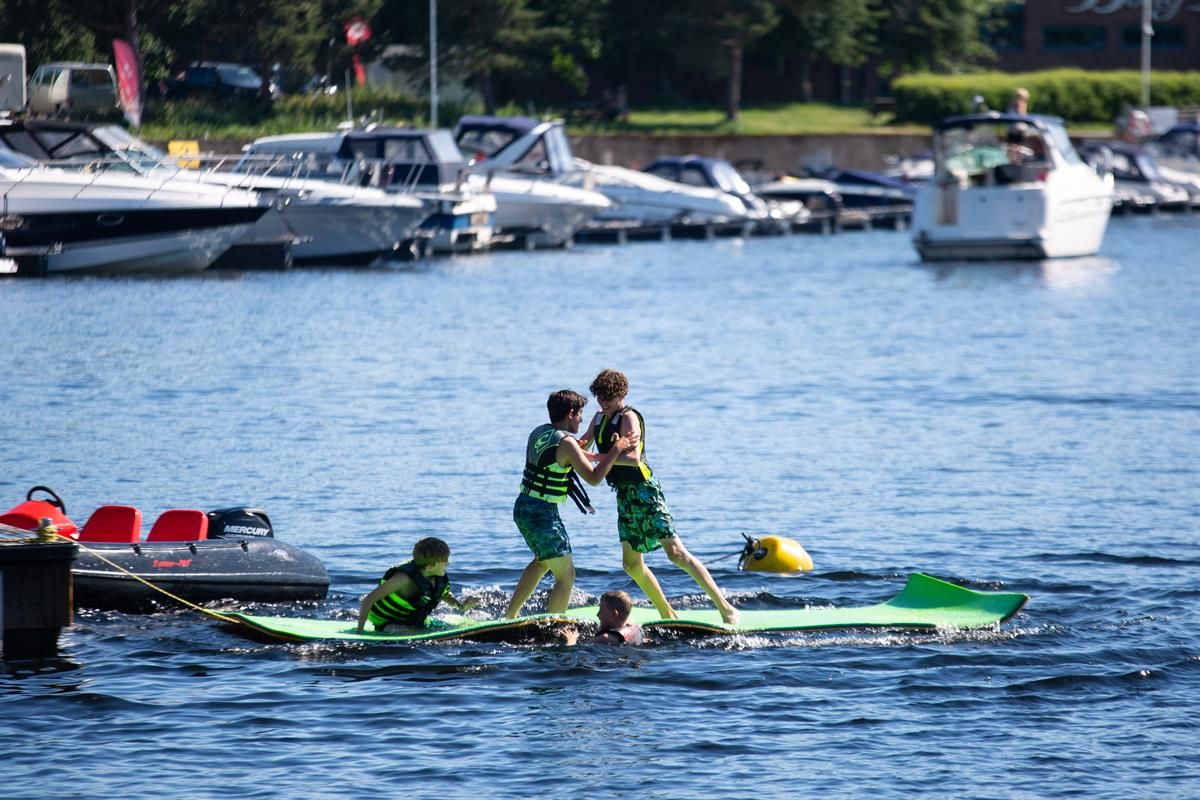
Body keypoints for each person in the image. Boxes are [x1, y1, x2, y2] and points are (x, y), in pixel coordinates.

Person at [582, 369, 739, 625]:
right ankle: (666, 612)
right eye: (599, 397)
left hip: (645, 491)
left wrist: (598, 458)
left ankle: (725, 607)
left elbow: (632, 459)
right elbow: (584, 444)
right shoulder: (599, 418)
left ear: (622, 394)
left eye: (608, 397)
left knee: (676, 553)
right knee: (631, 565)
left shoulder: (629, 417)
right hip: (624, 495)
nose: (603, 402)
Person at [505, 389, 639, 618]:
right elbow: (594, 478)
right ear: (570, 413)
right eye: (580, 415)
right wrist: (617, 448)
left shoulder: (541, 432)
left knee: (541, 562)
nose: (582, 418)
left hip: (524, 508)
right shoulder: (566, 443)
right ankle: (555, 624)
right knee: (566, 575)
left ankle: (510, 616)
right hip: (542, 514)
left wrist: (596, 434)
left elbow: (574, 449)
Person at [356, 537, 477, 633]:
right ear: (430, 567)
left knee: (449, 627)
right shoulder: (403, 579)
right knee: (412, 632)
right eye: (445, 560)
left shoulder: (435, 577)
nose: (448, 563)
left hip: (412, 621)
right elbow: (369, 600)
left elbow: (442, 595)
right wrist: (360, 631)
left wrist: (461, 607)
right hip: (389, 622)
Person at [561, 590, 644, 646]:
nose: (598, 615)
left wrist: (571, 640)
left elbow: (575, 656)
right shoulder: (635, 627)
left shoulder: (604, 638)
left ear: (614, 614)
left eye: (601, 610)